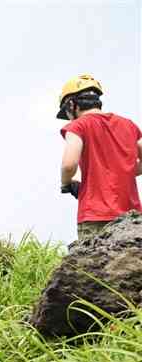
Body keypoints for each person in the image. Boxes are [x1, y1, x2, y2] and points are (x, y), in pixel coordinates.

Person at [57, 74, 142, 241]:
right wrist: (125, 171)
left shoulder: (78, 126)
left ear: (72, 104)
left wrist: (66, 183)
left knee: (93, 266)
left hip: (95, 216)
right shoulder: (128, 125)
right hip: (132, 219)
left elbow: (69, 165)